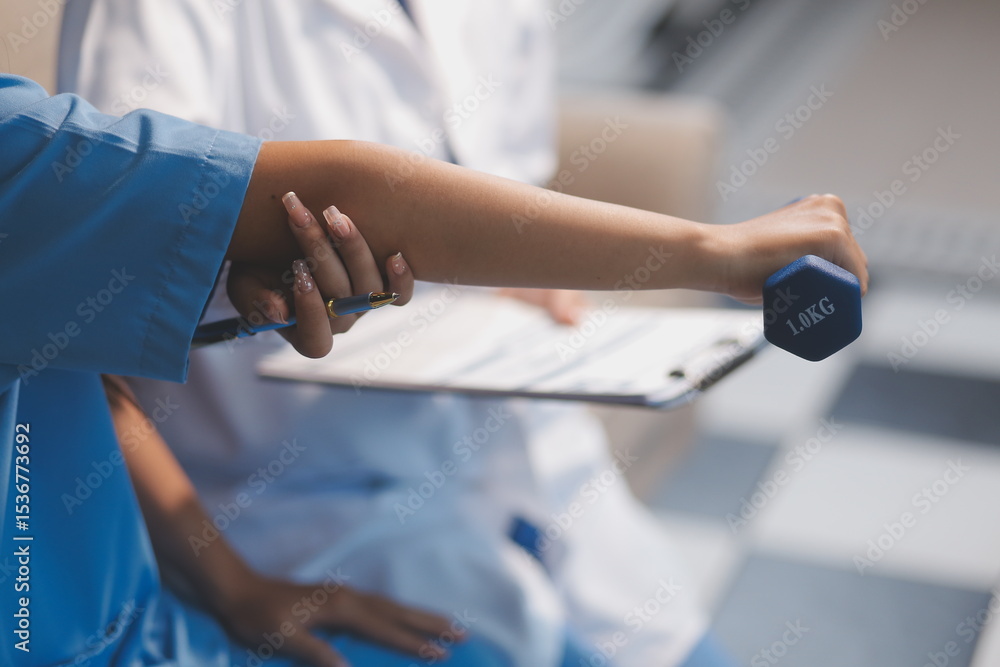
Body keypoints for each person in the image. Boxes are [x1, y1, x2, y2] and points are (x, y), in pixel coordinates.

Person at [0, 70, 866, 666]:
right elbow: (347, 194)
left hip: (467, 470)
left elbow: (92, 305)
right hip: (206, 565)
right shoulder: (21, 148)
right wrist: (717, 252)